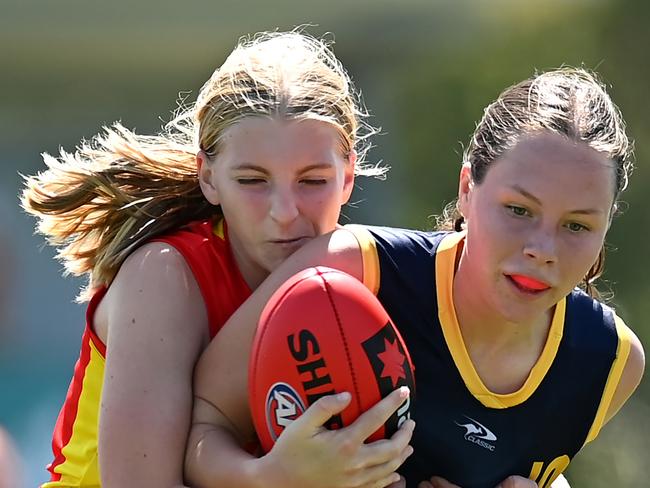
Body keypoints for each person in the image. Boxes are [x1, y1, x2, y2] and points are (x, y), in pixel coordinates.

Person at [185, 68, 645, 488]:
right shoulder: (349, 271)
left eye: (577, 226)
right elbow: (202, 429)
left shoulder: (610, 362)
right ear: (467, 189)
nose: (542, 250)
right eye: (518, 210)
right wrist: (273, 478)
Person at [21, 30, 409, 488]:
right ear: (208, 177)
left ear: (348, 177)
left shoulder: (372, 271)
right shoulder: (164, 277)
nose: (285, 213)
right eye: (252, 181)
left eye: (312, 181)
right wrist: (274, 478)